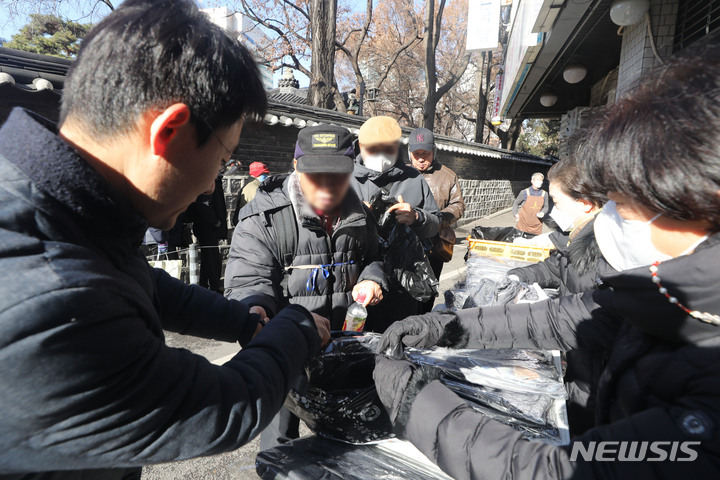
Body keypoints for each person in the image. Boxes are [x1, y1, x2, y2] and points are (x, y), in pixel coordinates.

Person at [0, 2, 331, 479]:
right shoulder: (52, 299)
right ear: (168, 131)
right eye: (223, 159)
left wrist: (241, 318)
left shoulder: (61, 210)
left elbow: (140, 283)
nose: (213, 184)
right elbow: (221, 406)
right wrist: (297, 326)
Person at [373, 32, 720, 479]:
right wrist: (445, 326)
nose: (609, 216)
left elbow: (556, 471)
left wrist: (413, 401)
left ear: (696, 206)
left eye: (626, 201)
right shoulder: (665, 296)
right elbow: (554, 318)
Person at [225, 124, 388, 449]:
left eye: (338, 176)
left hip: (343, 351)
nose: (328, 186)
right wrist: (256, 315)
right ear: (297, 167)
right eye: (316, 175)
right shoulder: (264, 219)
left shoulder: (359, 213)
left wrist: (373, 277)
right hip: (285, 354)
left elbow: (375, 255)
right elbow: (247, 283)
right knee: (280, 446)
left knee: (346, 442)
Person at [351, 116, 441, 327]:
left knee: (401, 339)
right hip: (359, 282)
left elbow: (435, 223)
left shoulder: (413, 179)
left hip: (404, 280)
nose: (381, 155)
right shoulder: (348, 179)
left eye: (388, 149)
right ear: (361, 146)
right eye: (374, 149)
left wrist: (416, 217)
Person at [507, 157, 612, 296]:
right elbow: (553, 269)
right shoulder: (571, 237)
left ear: (585, 203)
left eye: (556, 202)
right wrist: (517, 275)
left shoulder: (606, 254)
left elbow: (580, 309)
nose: (554, 210)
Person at [408, 127, 465, 311]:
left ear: (434, 151)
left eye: (426, 153)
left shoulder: (448, 176)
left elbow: (458, 205)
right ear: (409, 153)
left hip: (434, 245)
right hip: (405, 244)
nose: (421, 158)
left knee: (428, 291)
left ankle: (424, 324)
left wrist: (439, 219)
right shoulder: (401, 174)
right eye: (417, 154)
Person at [186, 175, 228, 292]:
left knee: (208, 258)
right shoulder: (208, 179)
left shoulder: (212, 179)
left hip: (208, 226)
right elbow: (203, 204)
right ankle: (212, 285)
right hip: (208, 227)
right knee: (211, 258)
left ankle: (208, 284)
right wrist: (215, 222)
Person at [231, 161, 269, 226]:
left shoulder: (250, 185)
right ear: (257, 174)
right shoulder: (254, 188)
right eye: (264, 174)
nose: (267, 176)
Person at [512, 172, 549, 236]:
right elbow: (516, 203)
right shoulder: (524, 192)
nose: (540, 182)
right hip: (523, 224)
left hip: (537, 226)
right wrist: (515, 214)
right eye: (538, 180)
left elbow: (546, 206)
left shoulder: (544, 194)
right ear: (532, 181)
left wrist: (542, 212)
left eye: (541, 180)